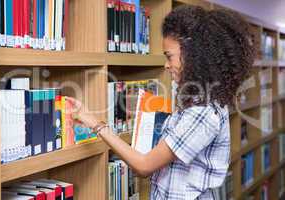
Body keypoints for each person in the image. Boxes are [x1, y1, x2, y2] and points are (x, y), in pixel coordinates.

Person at [68, 5, 255, 200]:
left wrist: (95, 123)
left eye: (169, 56)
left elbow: (144, 166)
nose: (166, 65)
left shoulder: (203, 112)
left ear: (194, 54)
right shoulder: (198, 100)